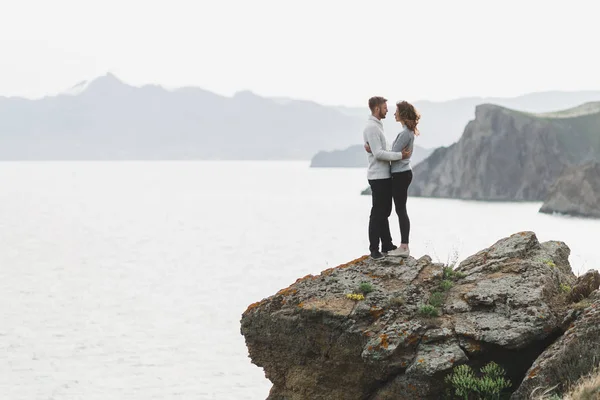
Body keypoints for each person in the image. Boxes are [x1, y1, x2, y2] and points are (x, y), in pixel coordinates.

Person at [362, 96, 411, 260]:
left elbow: (381, 149)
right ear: (377, 109)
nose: (387, 110)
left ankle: (387, 244)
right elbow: (379, 153)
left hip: (384, 175)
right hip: (378, 177)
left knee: (385, 211)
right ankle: (374, 249)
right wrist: (399, 155)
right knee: (377, 213)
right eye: (384, 107)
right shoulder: (372, 128)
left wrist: (386, 152)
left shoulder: (377, 127)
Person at [388, 100, 420, 257]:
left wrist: (374, 152)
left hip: (400, 174)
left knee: (401, 210)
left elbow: (392, 155)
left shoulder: (405, 134)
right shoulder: (407, 132)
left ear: (403, 114)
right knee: (401, 209)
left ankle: (404, 247)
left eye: (397, 111)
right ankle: (404, 245)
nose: (394, 114)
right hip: (403, 173)